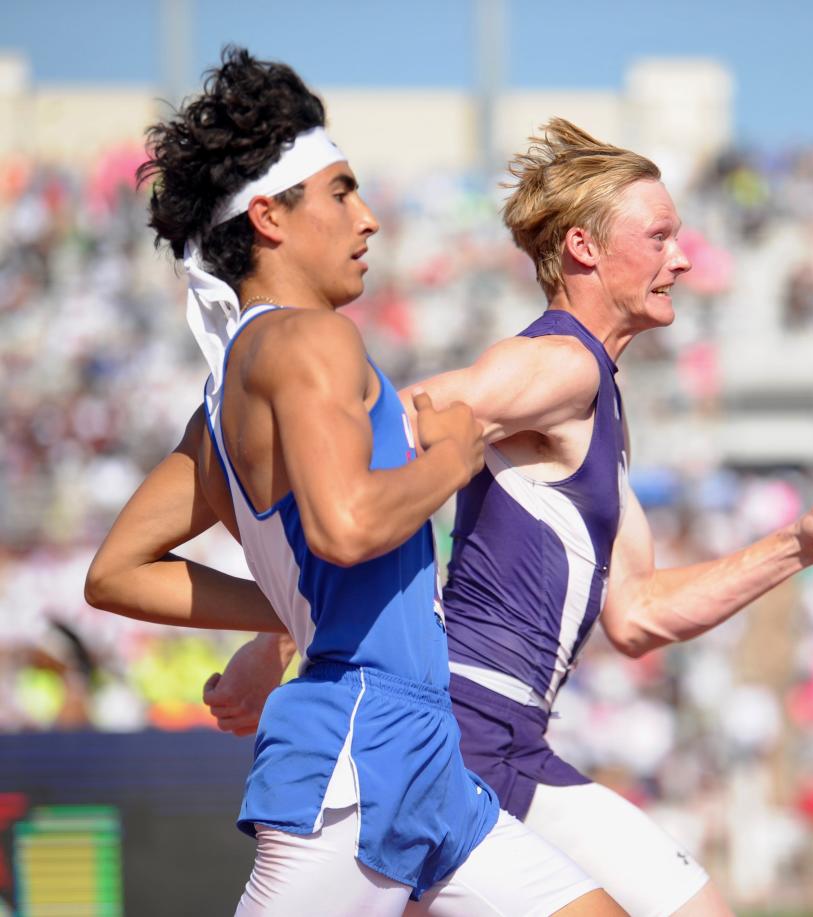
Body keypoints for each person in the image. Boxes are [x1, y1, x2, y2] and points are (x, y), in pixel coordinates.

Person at [91, 116, 813, 916]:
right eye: (660, 236)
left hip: (502, 741)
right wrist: (284, 631)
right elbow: (370, 432)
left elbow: (640, 615)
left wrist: (796, 544)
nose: (682, 257)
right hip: (451, 726)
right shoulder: (558, 364)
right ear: (584, 248)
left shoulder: (594, 398)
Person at [85, 49, 626, 917]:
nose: (368, 218)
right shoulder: (309, 340)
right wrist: (449, 460)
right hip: (357, 753)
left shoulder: (223, 391)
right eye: (342, 191)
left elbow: (115, 570)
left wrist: (292, 612)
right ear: (269, 216)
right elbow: (343, 528)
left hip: (422, 761)